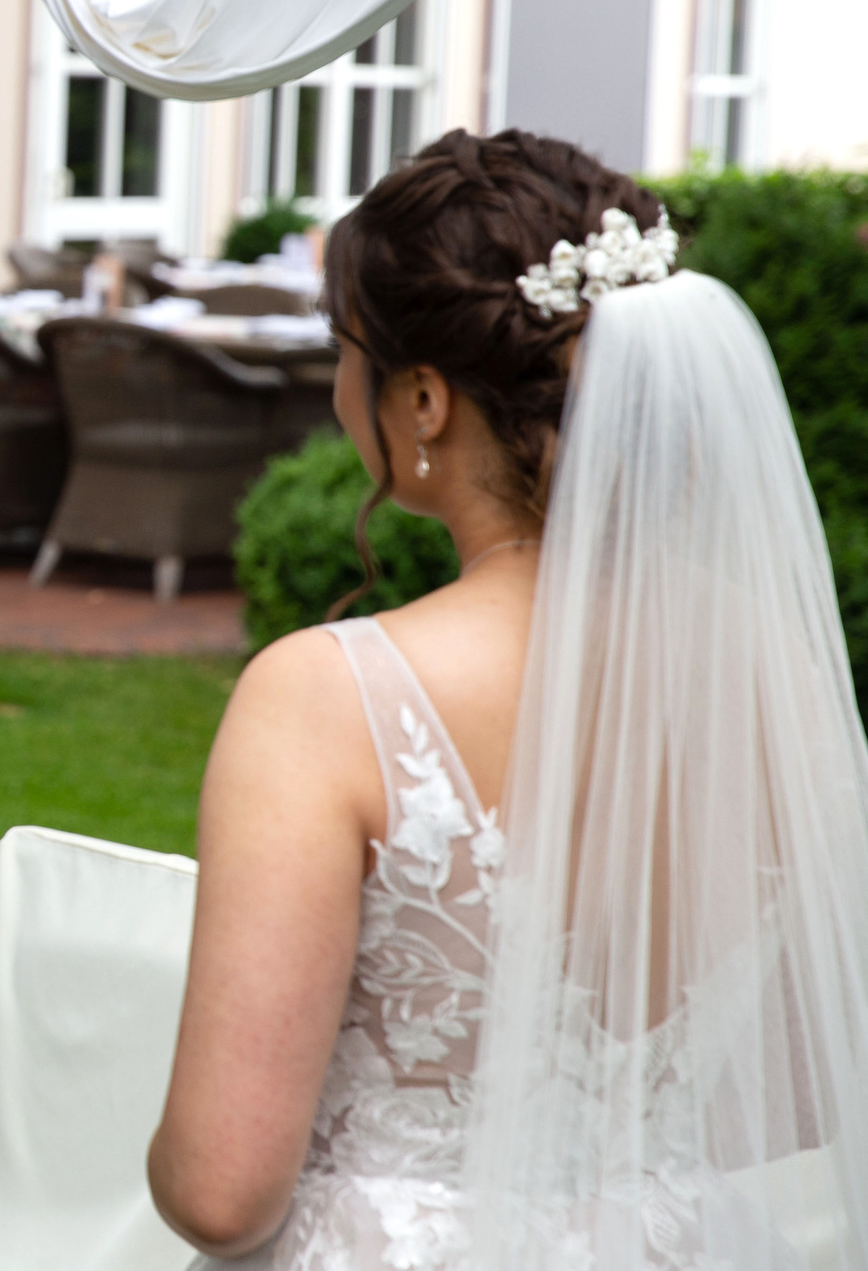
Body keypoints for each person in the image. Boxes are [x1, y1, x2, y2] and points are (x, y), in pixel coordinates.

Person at [146, 129, 868, 1268]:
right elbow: (803, 1088)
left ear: (425, 399)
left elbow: (222, 1190)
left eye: (346, 351)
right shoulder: (772, 666)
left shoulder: (327, 698)